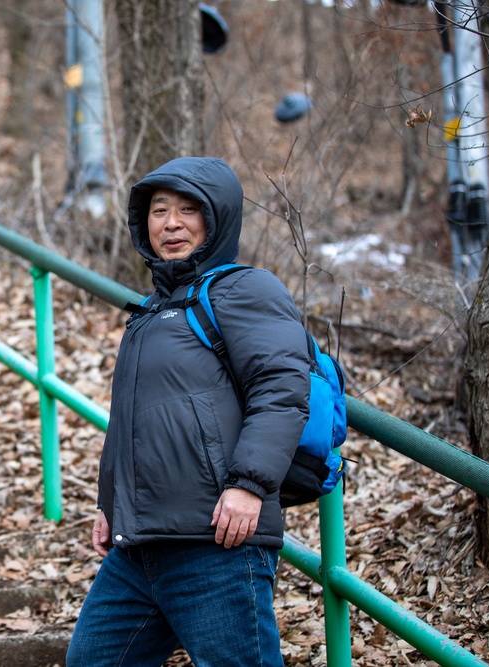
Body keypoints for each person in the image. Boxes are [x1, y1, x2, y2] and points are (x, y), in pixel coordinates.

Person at [66, 157, 311, 667]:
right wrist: (110, 503)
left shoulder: (245, 290)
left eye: (187, 209)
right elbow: (132, 421)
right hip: (139, 549)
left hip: (216, 543)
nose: (170, 223)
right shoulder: (150, 311)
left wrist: (249, 485)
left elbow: (282, 389)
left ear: (216, 217)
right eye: (158, 211)